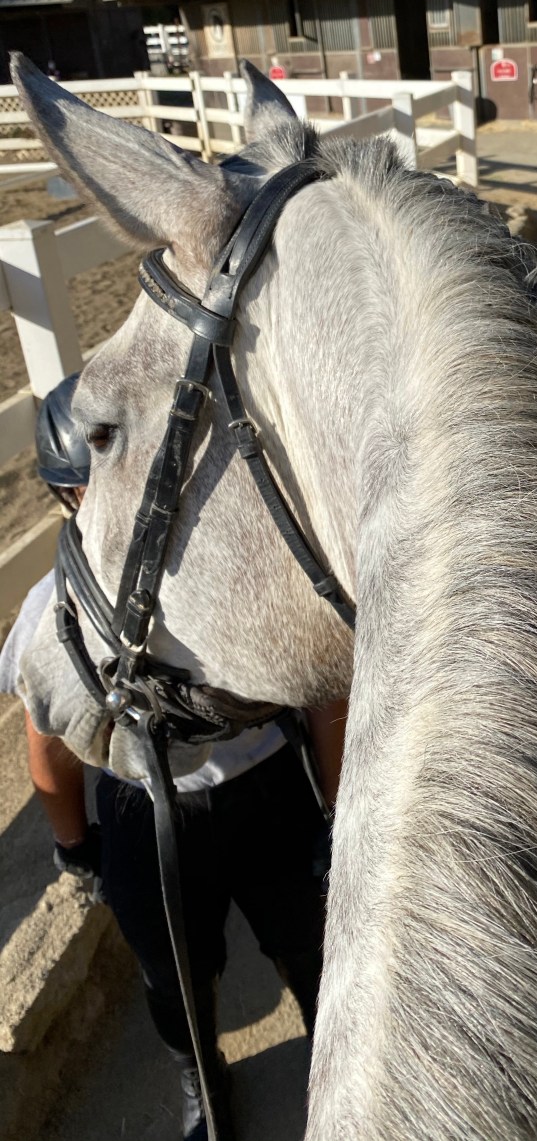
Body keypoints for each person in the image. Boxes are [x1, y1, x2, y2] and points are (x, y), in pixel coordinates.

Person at [0, 375, 347, 1141]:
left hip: (242, 793)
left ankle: (321, 1059)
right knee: (183, 970)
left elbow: (319, 681)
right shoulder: (58, 609)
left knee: (295, 943)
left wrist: (74, 842)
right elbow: (46, 728)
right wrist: (75, 842)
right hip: (176, 801)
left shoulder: (210, 578)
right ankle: (207, 1074)